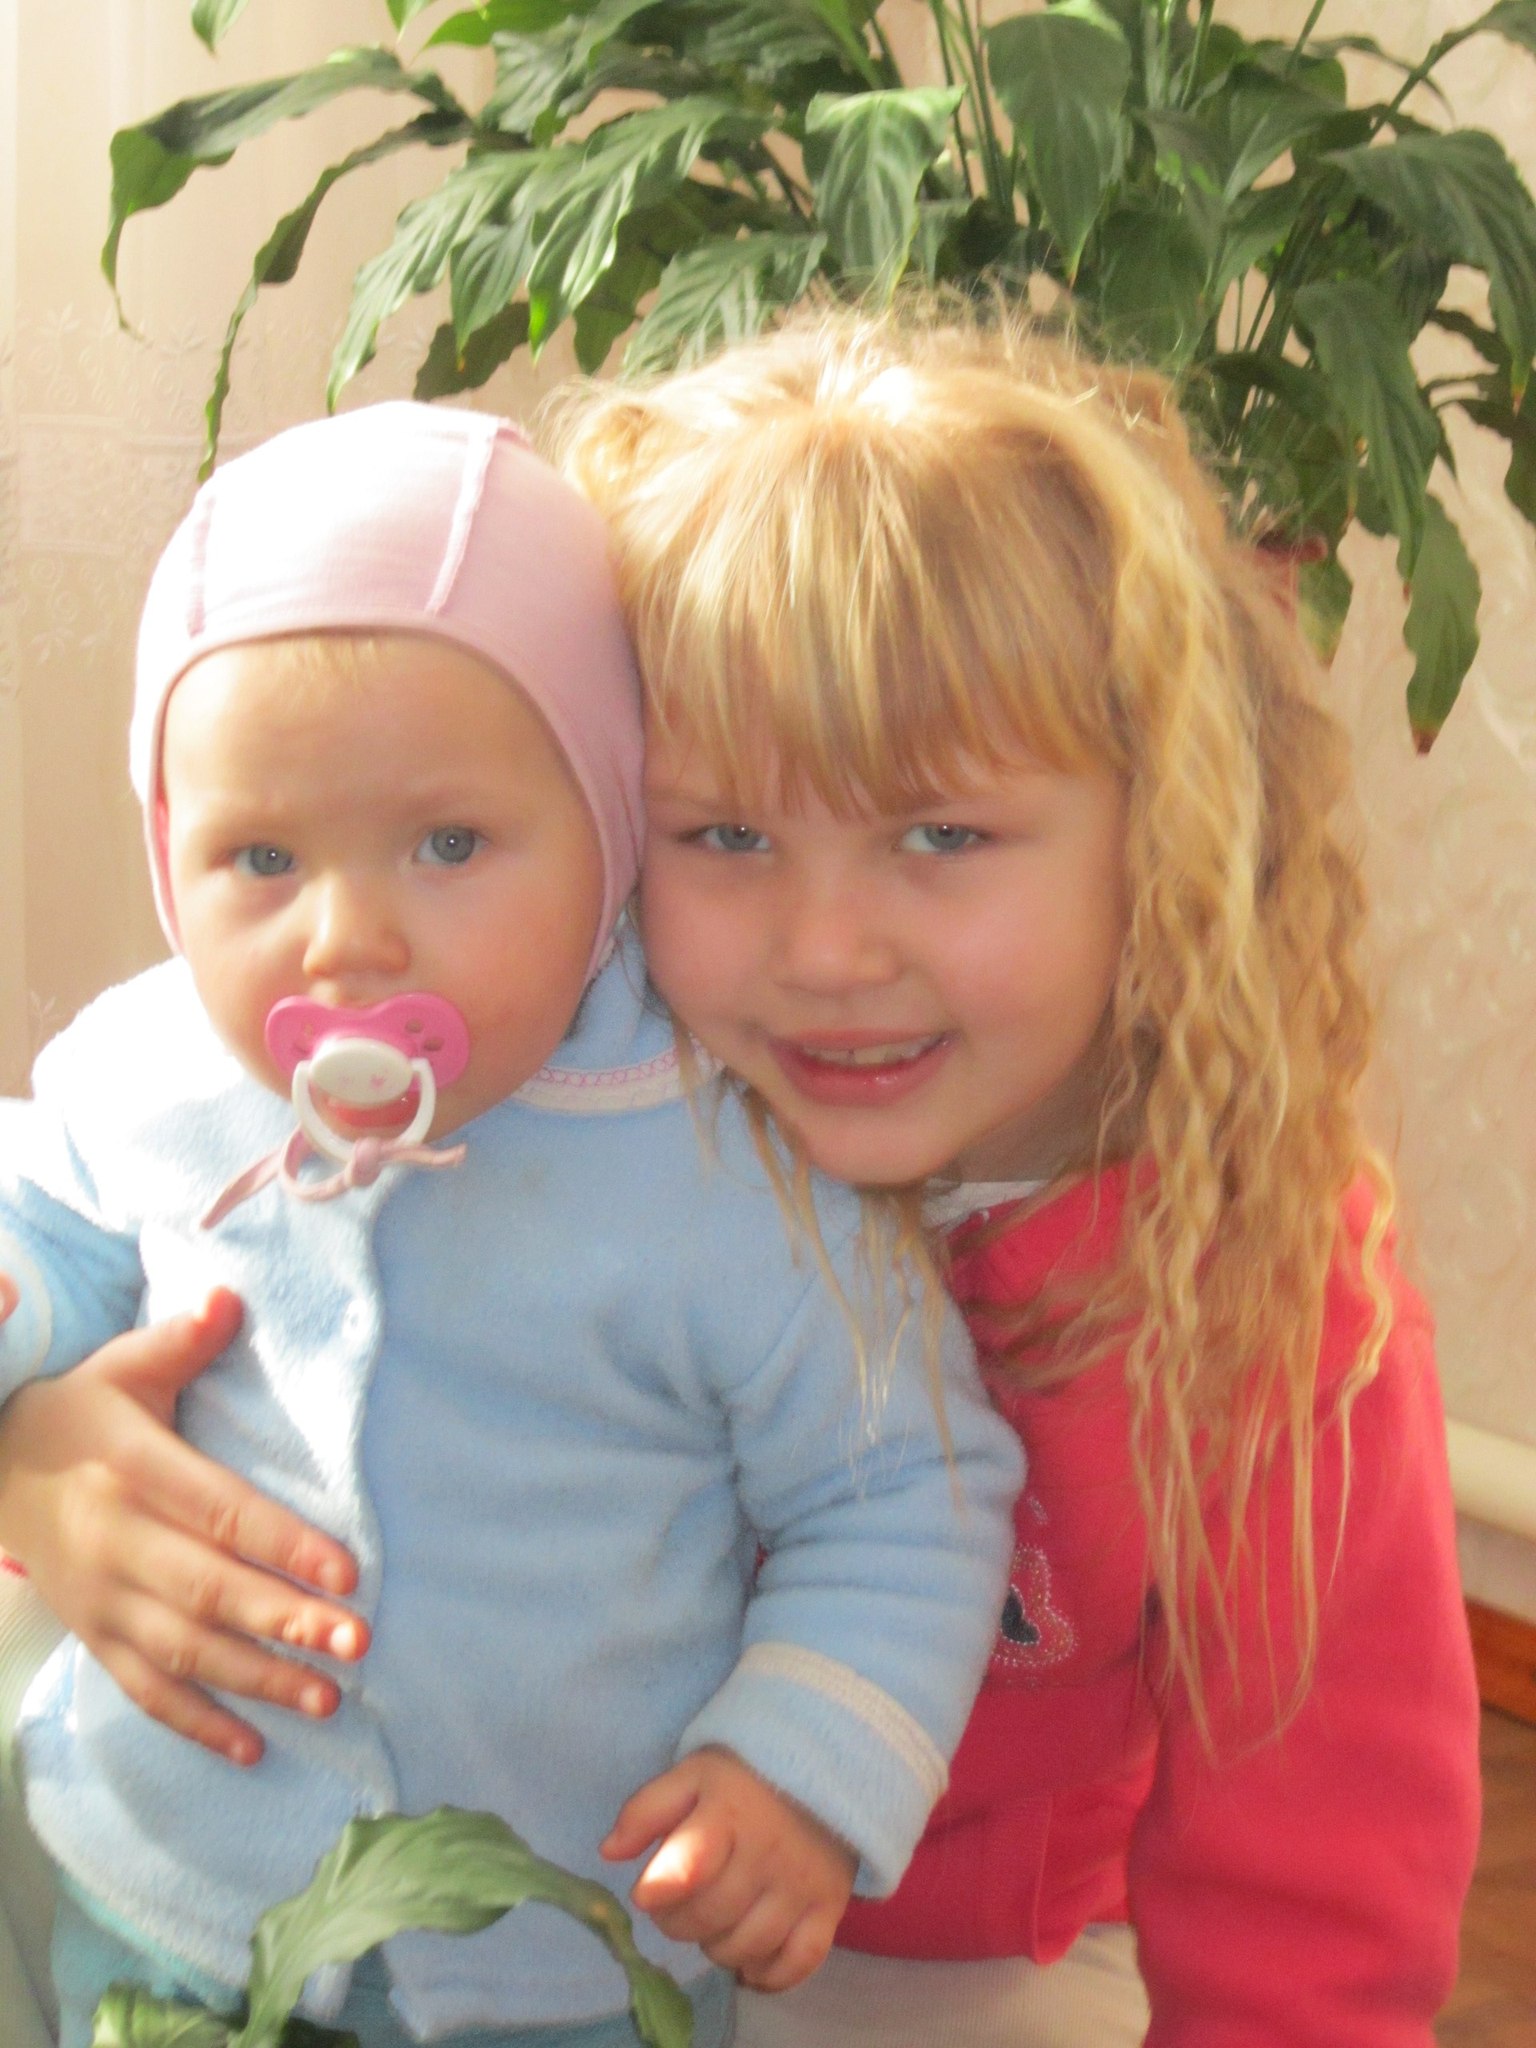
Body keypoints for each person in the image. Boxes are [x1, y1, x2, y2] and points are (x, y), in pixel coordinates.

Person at [0, 399, 1021, 2048]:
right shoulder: (150, 1069)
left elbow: (900, 1488)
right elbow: (47, 1223)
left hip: (572, 1959)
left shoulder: (728, 1164)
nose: (347, 939)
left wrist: (799, 1768)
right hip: (166, 1892)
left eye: (450, 844)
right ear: (168, 859)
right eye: (260, 857)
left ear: (609, 839)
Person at [551, 309, 1483, 2047]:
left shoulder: (1265, 1286)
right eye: (728, 834)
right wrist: (54, 1445)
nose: (826, 952)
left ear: (1163, 835)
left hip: (949, 1955)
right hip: (540, 1886)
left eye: (941, 834)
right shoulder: (566, 1125)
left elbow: (1314, 1910)